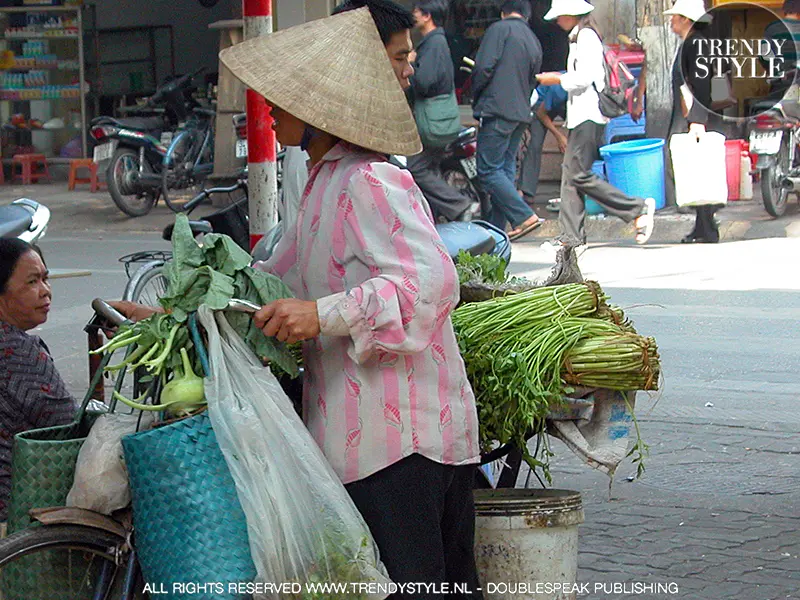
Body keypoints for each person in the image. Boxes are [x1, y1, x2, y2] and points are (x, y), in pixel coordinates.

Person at [219, 7, 482, 599]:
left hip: (406, 446)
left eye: (283, 98)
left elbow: (430, 284)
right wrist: (176, 312)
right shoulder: (317, 184)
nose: (267, 106)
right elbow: (269, 280)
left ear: (320, 111)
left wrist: (322, 315)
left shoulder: (371, 180)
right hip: (352, 440)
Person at [537, 0, 656, 246]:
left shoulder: (587, 37)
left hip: (588, 115)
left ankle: (637, 208)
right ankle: (571, 236)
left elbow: (584, 78)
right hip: (580, 115)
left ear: (571, 14)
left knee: (578, 175)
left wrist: (556, 79)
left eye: (560, 16)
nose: (557, 21)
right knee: (570, 177)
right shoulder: (579, 36)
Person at [0, 239, 76, 525]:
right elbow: (67, 426)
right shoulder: (17, 351)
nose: (46, 291)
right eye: (32, 282)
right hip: (14, 511)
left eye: (45, 279)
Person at [472, 0, 544, 240]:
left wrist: (476, 97)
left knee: (488, 171)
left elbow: (483, 68)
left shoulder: (498, 30)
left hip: (497, 110)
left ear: (504, 13)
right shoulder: (533, 39)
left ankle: (524, 216)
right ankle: (495, 231)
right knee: (503, 171)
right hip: (521, 113)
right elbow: (533, 78)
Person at [407, 0, 474, 222]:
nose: (413, 15)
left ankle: (459, 205)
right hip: (439, 119)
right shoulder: (436, 42)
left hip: (431, 120)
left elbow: (424, 82)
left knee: (416, 168)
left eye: (416, 11)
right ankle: (435, 217)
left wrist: (411, 64)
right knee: (431, 168)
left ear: (427, 16)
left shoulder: (433, 44)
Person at [664, 0, 721, 243]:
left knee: (697, 167)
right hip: (688, 113)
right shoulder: (690, 42)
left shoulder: (696, 44)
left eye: (674, 16)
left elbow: (703, 84)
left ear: (685, 19)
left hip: (696, 115)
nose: (671, 21)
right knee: (693, 167)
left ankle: (707, 227)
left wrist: (697, 120)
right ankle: (703, 225)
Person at [517, 78, 568, 205]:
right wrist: (559, 136)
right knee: (536, 144)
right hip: (539, 108)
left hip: (561, 105)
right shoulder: (558, 89)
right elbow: (541, 113)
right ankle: (526, 191)